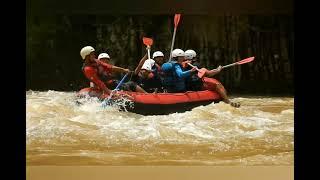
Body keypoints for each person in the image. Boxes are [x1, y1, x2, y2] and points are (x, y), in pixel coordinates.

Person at [80, 46, 146, 98]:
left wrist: (123, 70)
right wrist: (109, 92)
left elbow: (110, 67)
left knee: (131, 84)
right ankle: (143, 97)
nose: (94, 55)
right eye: (92, 54)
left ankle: (148, 95)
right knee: (131, 85)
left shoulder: (96, 61)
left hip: (111, 83)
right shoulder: (88, 69)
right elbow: (99, 82)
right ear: (87, 56)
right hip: (107, 86)